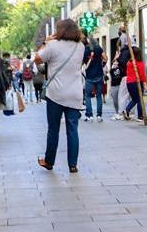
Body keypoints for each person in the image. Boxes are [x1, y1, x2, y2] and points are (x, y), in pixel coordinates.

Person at [35, 19, 85, 172]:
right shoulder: (80, 46)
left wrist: (45, 42)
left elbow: (37, 59)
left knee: (53, 129)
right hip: (75, 92)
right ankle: (73, 165)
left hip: (56, 93)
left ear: (60, 30)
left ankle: (49, 161)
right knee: (72, 129)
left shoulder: (53, 45)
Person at [82, 36, 106, 122]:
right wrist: (101, 63)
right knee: (99, 96)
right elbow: (105, 58)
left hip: (89, 76)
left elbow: (82, 62)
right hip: (99, 75)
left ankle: (89, 116)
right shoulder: (98, 48)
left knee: (87, 96)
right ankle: (99, 116)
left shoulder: (85, 49)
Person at [122, 46, 146, 122]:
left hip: (129, 82)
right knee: (139, 99)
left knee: (135, 99)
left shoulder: (129, 62)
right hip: (136, 82)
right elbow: (142, 74)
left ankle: (127, 110)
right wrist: (145, 83)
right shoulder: (139, 63)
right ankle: (140, 116)